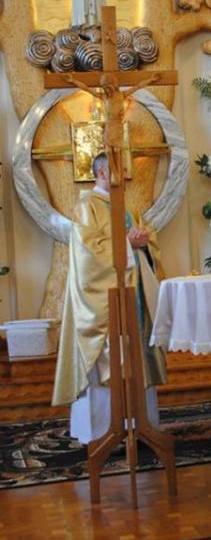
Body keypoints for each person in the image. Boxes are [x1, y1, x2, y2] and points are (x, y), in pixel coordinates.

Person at [52, 152, 166, 443]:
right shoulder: (87, 207)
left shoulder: (127, 206)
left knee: (136, 355)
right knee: (109, 359)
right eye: (120, 170)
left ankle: (141, 425)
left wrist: (143, 244)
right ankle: (101, 432)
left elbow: (147, 237)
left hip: (134, 294)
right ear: (102, 173)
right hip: (104, 303)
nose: (126, 175)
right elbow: (87, 253)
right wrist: (128, 243)